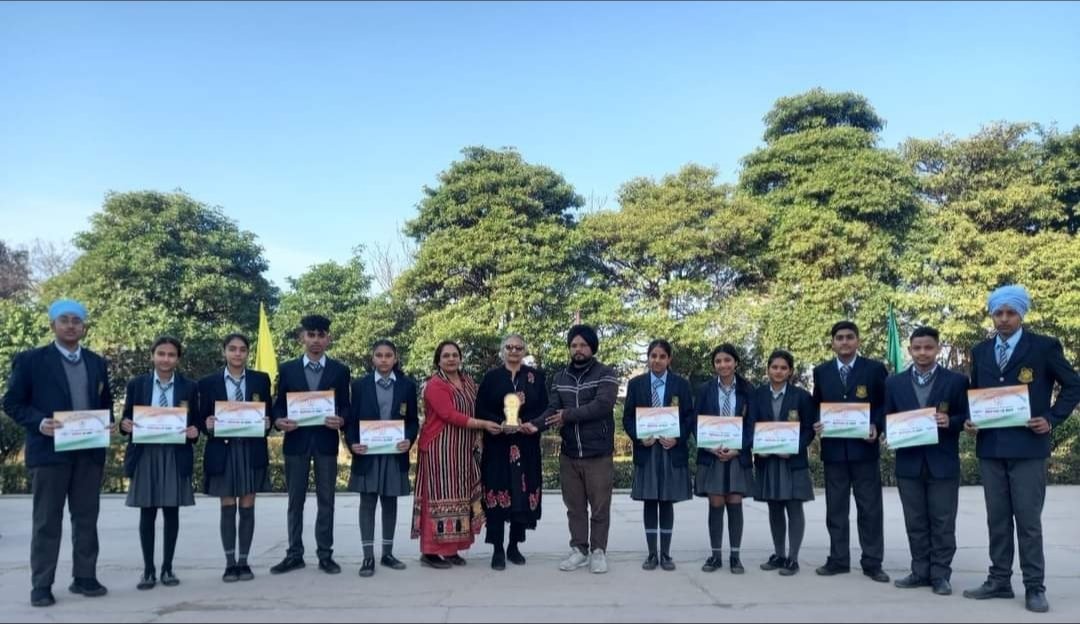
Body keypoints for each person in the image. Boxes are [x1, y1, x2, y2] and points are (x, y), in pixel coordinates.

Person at [961, 285, 1080, 613]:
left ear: (1021, 314)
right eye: (998, 313)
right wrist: (970, 420)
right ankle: (999, 580)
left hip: (1028, 448)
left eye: (1010, 313)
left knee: (1028, 521)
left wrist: (1052, 418)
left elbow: (1074, 385)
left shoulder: (1043, 346)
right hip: (991, 448)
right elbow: (977, 393)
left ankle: (1034, 587)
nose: (1003, 319)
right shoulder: (981, 350)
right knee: (997, 519)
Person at [3, 299, 115, 607]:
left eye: (76, 321)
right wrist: (39, 423)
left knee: (86, 518)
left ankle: (84, 576)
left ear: (84, 327)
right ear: (53, 325)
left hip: (88, 453)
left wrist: (108, 425)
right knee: (46, 521)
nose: (70, 325)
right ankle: (42, 584)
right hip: (49, 454)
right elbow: (12, 403)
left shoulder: (96, 362)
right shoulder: (31, 361)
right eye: (64, 320)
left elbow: (104, 403)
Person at [882, 326, 969, 597]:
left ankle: (941, 574)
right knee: (915, 521)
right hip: (908, 464)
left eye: (928, 347)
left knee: (943, 522)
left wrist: (950, 421)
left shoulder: (956, 381)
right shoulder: (893, 383)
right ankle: (920, 571)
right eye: (917, 348)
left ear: (938, 349)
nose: (922, 353)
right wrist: (886, 430)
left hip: (942, 463)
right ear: (909, 350)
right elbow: (885, 416)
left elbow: (967, 417)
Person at [270, 314, 352, 575]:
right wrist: (278, 420)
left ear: (328, 338)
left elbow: (347, 406)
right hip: (296, 442)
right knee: (295, 501)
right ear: (302, 337)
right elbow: (278, 404)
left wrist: (342, 418)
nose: (316, 340)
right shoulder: (287, 369)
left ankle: (325, 554)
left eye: (321, 335)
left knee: (326, 500)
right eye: (311, 335)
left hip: (326, 442)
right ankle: (294, 554)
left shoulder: (340, 370)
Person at [535, 325, 619, 575]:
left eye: (583, 345)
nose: (578, 349)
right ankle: (579, 550)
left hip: (598, 453)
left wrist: (568, 415)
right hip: (570, 453)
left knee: (600, 506)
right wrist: (531, 426)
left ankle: (598, 551)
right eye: (573, 345)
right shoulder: (561, 377)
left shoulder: (606, 373)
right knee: (575, 507)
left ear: (592, 347)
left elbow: (602, 406)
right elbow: (552, 410)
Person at [412, 341, 502, 569]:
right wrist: (483, 424)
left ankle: (451, 549)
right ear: (438, 360)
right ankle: (430, 552)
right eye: (446, 356)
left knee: (460, 498)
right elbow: (449, 415)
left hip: (463, 448)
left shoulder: (468, 381)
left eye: (455, 355)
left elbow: (480, 404)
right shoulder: (434, 384)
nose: (451, 359)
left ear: (460, 358)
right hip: (439, 448)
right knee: (437, 499)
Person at [812, 321, 890, 583]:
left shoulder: (875, 369)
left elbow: (884, 404)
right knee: (836, 508)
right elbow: (816, 405)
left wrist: (876, 425)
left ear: (857, 341)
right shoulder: (821, 372)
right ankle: (838, 559)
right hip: (834, 451)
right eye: (839, 338)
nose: (844, 342)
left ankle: (872, 562)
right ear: (832, 342)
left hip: (864, 450)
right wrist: (817, 422)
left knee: (870, 508)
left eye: (849, 337)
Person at [119, 336, 200, 590]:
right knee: (147, 511)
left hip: (175, 454)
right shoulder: (137, 384)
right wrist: (125, 425)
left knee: (171, 511)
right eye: (161, 354)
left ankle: (167, 568)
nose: (166, 359)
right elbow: (125, 419)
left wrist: (194, 431)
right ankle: (148, 570)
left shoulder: (189, 387)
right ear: (152, 355)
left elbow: (195, 421)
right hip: (146, 454)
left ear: (178, 358)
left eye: (171, 354)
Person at [198, 333, 273, 583]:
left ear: (247, 353)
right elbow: (200, 419)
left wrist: (267, 422)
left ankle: (244, 561)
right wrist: (205, 423)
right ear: (224, 352)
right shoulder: (208, 382)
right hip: (223, 450)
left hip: (251, 449)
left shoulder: (261, 380)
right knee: (228, 506)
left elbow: (269, 415)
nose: (237, 354)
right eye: (232, 349)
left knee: (248, 506)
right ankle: (230, 563)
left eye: (242, 349)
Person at [345, 340, 418, 577]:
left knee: (390, 502)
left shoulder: (407, 385)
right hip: (368, 454)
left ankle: (387, 553)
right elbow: (350, 419)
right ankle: (368, 557)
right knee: (367, 503)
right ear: (372, 358)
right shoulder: (359, 386)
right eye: (379, 355)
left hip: (394, 454)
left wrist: (409, 439)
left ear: (395, 358)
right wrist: (352, 443)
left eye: (388, 355)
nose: (384, 359)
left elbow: (413, 420)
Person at [476, 334, 548, 571]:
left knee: (522, 496)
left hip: (526, 446)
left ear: (524, 350)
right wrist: (499, 422)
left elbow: (545, 410)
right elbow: (481, 409)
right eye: (510, 347)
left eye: (519, 347)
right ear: (502, 350)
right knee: (497, 497)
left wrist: (533, 423)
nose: (514, 351)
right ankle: (497, 549)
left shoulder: (535, 377)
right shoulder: (491, 378)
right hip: (498, 446)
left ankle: (514, 546)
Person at [622, 339, 694, 571]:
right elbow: (628, 418)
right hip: (647, 451)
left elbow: (689, 418)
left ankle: (666, 554)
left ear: (669, 359)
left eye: (662, 356)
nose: (657, 360)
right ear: (648, 357)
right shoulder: (636, 384)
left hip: (670, 450)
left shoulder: (681, 385)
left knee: (667, 501)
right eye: (653, 355)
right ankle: (652, 553)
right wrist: (638, 437)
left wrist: (678, 437)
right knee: (650, 501)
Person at [752, 349, 816, 577]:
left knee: (794, 507)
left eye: (783, 368)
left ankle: (793, 558)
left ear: (790, 371)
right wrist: (759, 447)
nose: (778, 372)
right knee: (774, 508)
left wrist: (795, 448)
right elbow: (750, 425)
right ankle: (779, 554)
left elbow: (809, 429)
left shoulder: (801, 396)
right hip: (768, 461)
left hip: (792, 461)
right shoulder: (757, 394)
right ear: (767, 369)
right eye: (774, 367)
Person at [694, 343, 755, 574]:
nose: (723, 365)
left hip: (737, 456)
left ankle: (735, 557)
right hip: (712, 455)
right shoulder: (704, 390)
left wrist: (739, 449)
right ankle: (715, 556)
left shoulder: (748, 389)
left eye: (727, 360)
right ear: (714, 365)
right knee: (716, 502)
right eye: (718, 361)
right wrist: (710, 447)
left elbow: (753, 424)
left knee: (735, 501)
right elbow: (695, 422)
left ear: (736, 362)